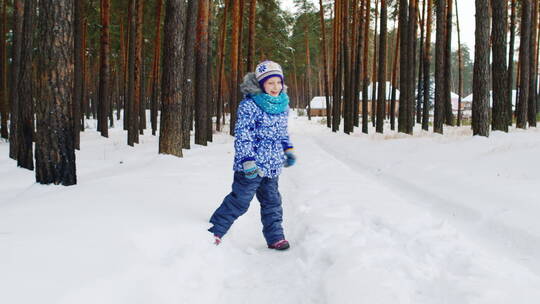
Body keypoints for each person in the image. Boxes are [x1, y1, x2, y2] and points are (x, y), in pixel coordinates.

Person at [207, 60, 296, 251]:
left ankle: (276, 237)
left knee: (272, 203)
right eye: (270, 83)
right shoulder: (250, 105)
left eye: (278, 82)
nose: (275, 87)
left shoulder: (283, 105)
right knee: (240, 201)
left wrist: (287, 149)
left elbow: (282, 132)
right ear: (261, 84)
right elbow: (243, 134)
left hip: (272, 165)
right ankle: (215, 229)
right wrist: (247, 160)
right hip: (251, 165)